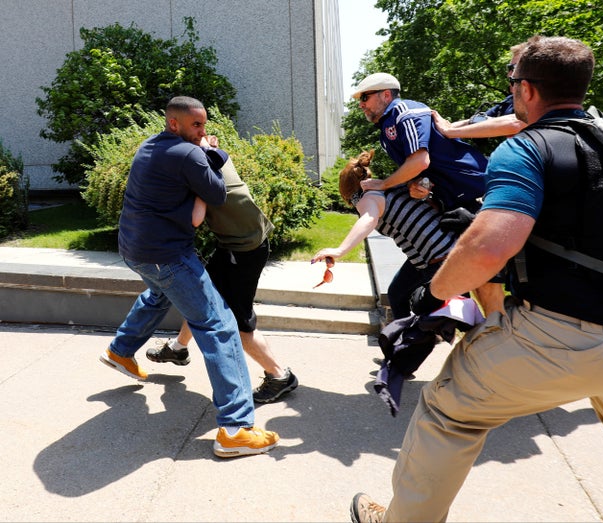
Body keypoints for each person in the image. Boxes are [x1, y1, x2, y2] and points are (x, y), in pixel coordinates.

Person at [350, 36, 603, 523]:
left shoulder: (526, 149)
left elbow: (488, 247)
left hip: (567, 337)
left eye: (511, 82)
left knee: (446, 411)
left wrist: (432, 292)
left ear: (524, 90)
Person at [99, 96, 279, 458]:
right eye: (196, 125)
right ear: (174, 124)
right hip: (168, 257)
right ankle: (236, 429)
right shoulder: (191, 154)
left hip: (134, 250)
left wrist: (201, 156)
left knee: (158, 294)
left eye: (204, 124)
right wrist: (212, 154)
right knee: (219, 325)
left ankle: (121, 351)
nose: (203, 131)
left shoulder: (150, 145)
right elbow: (215, 193)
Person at [146, 148, 299, 404]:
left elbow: (195, 219)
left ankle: (279, 376)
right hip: (236, 244)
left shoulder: (199, 175)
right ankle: (178, 349)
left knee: (240, 324)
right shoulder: (212, 155)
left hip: (244, 250)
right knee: (200, 296)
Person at [311, 150, 504, 321]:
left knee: (455, 315)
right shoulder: (387, 187)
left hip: (441, 257)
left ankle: (475, 345)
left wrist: (340, 250)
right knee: (397, 293)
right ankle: (401, 343)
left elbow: (368, 219)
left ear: (346, 192)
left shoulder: (366, 198)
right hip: (435, 254)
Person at [352, 73, 487, 213]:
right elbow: (414, 171)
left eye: (365, 97)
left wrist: (384, 184)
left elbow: (420, 161)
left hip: (483, 191)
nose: (361, 105)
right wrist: (414, 185)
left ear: (386, 95)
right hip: (459, 204)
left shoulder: (404, 111)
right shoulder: (385, 134)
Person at [431, 41, 529, 142]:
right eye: (509, 68)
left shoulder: (543, 99)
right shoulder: (510, 101)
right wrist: (442, 128)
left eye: (513, 68)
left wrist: (449, 132)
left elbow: (516, 123)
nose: (509, 74)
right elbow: (477, 121)